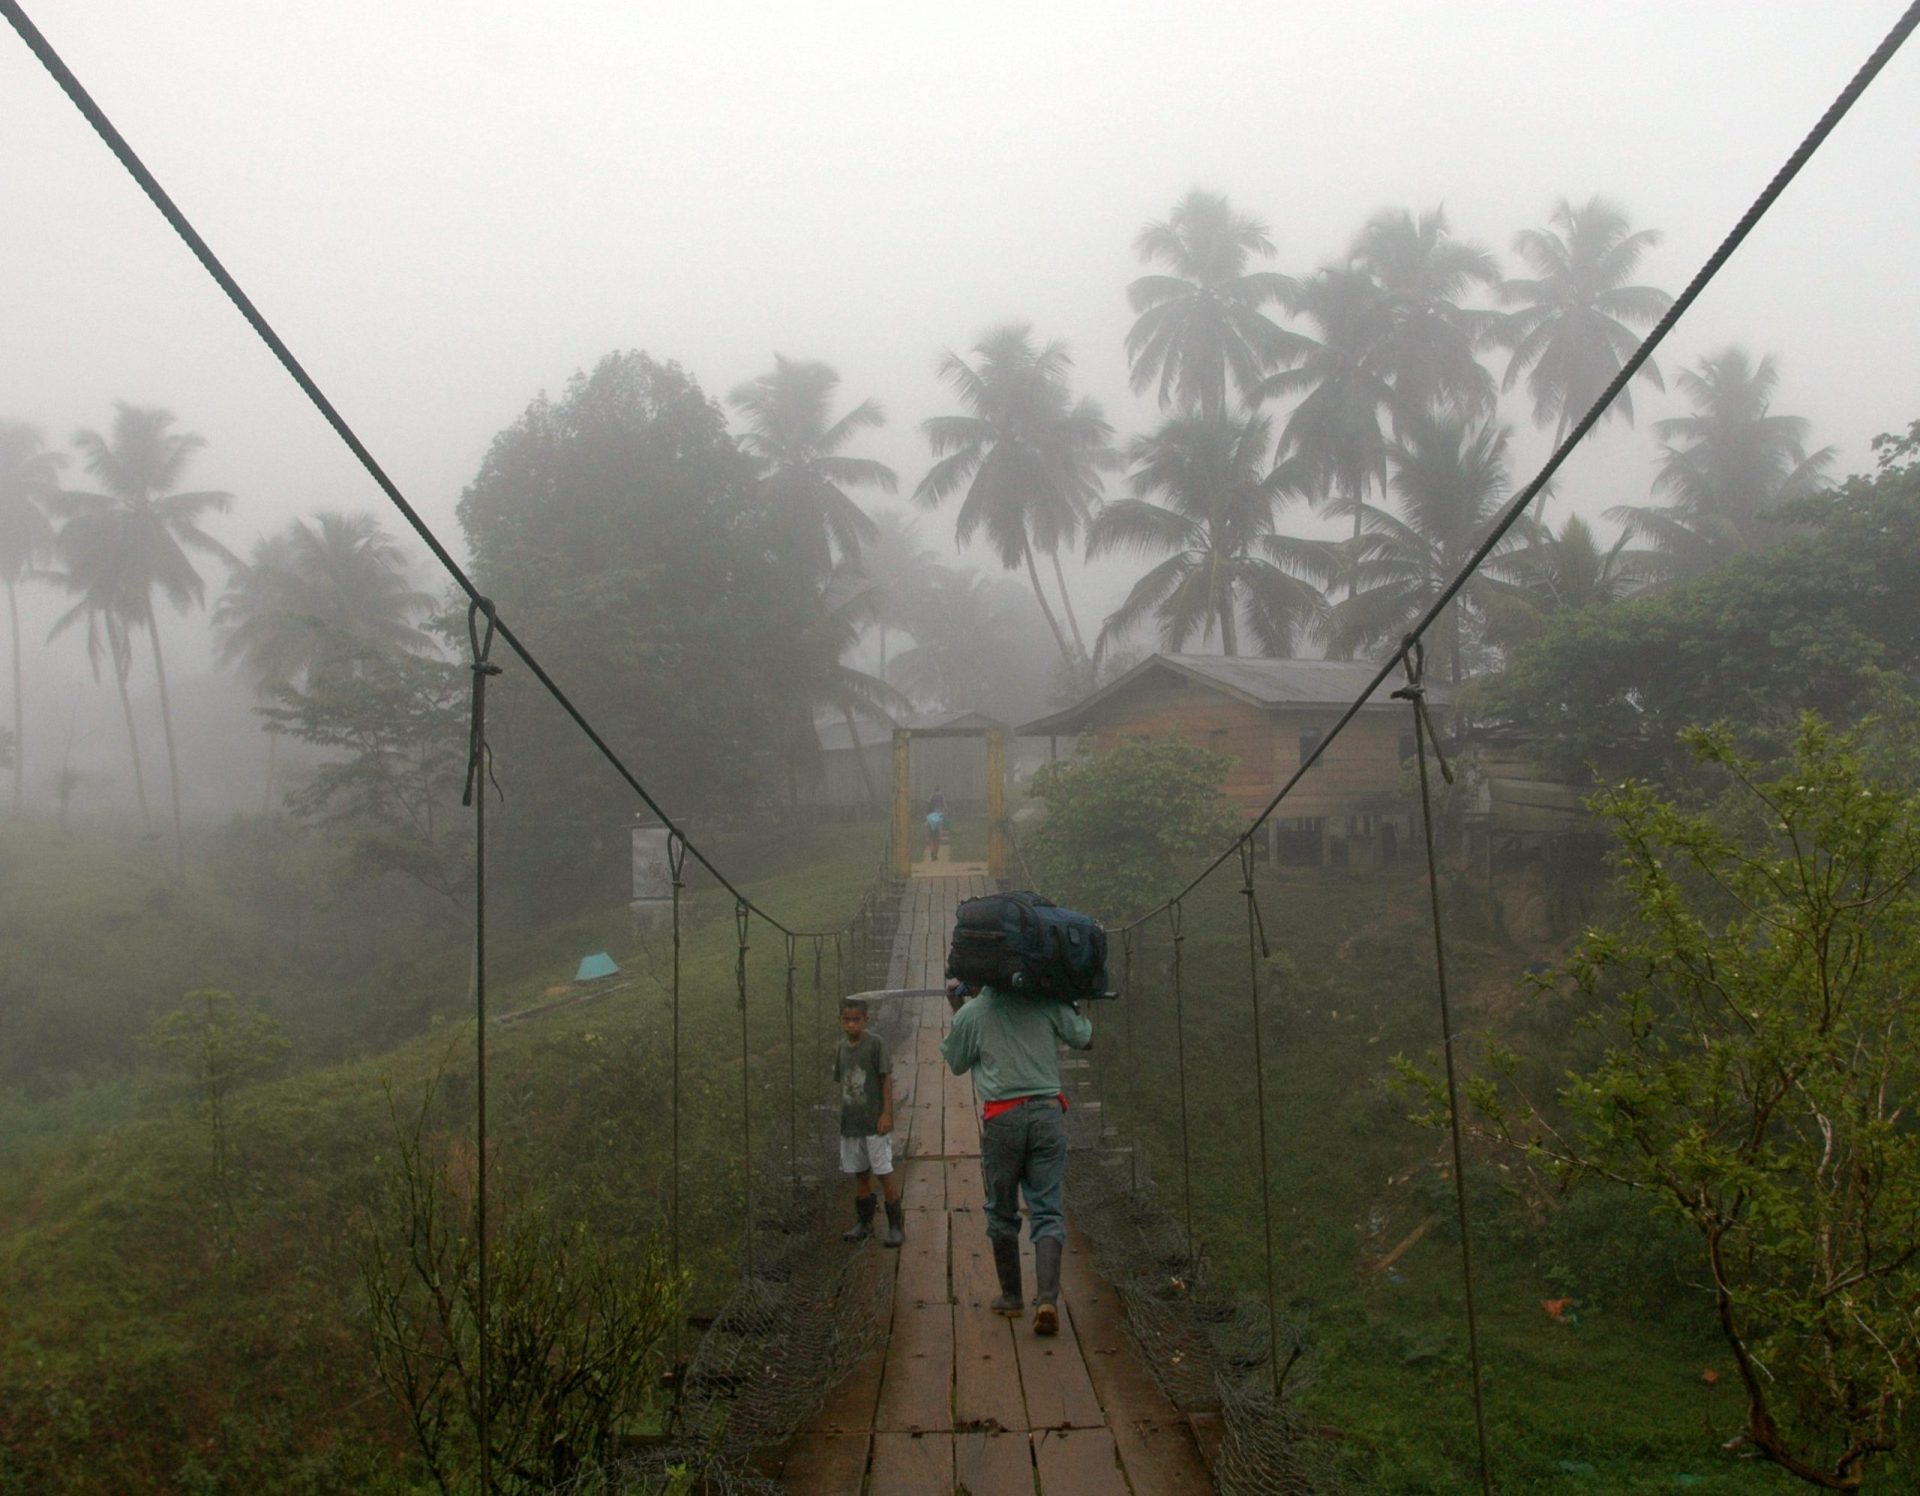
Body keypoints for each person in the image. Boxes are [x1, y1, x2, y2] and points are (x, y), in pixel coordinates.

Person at [940, 978, 1092, 1334]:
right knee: (1047, 1208)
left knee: (1001, 1207)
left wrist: (958, 1008)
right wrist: (1068, 1000)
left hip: (1003, 1119)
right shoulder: (1044, 998)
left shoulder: (975, 1012)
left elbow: (957, 1062)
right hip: (1047, 1114)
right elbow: (1086, 1038)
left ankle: (1011, 1297)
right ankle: (1048, 1299)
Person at [834, 998, 903, 1247]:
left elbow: (885, 1078)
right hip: (851, 1124)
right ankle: (864, 1223)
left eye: (856, 1020)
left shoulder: (875, 1044)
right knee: (860, 1173)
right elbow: (843, 1083)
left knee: (883, 1171)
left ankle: (896, 1226)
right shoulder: (841, 1048)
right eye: (847, 1020)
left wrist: (887, 1114)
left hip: (874, 1122)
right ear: (840, 1020)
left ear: (866, 1020)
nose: (852, 1025)